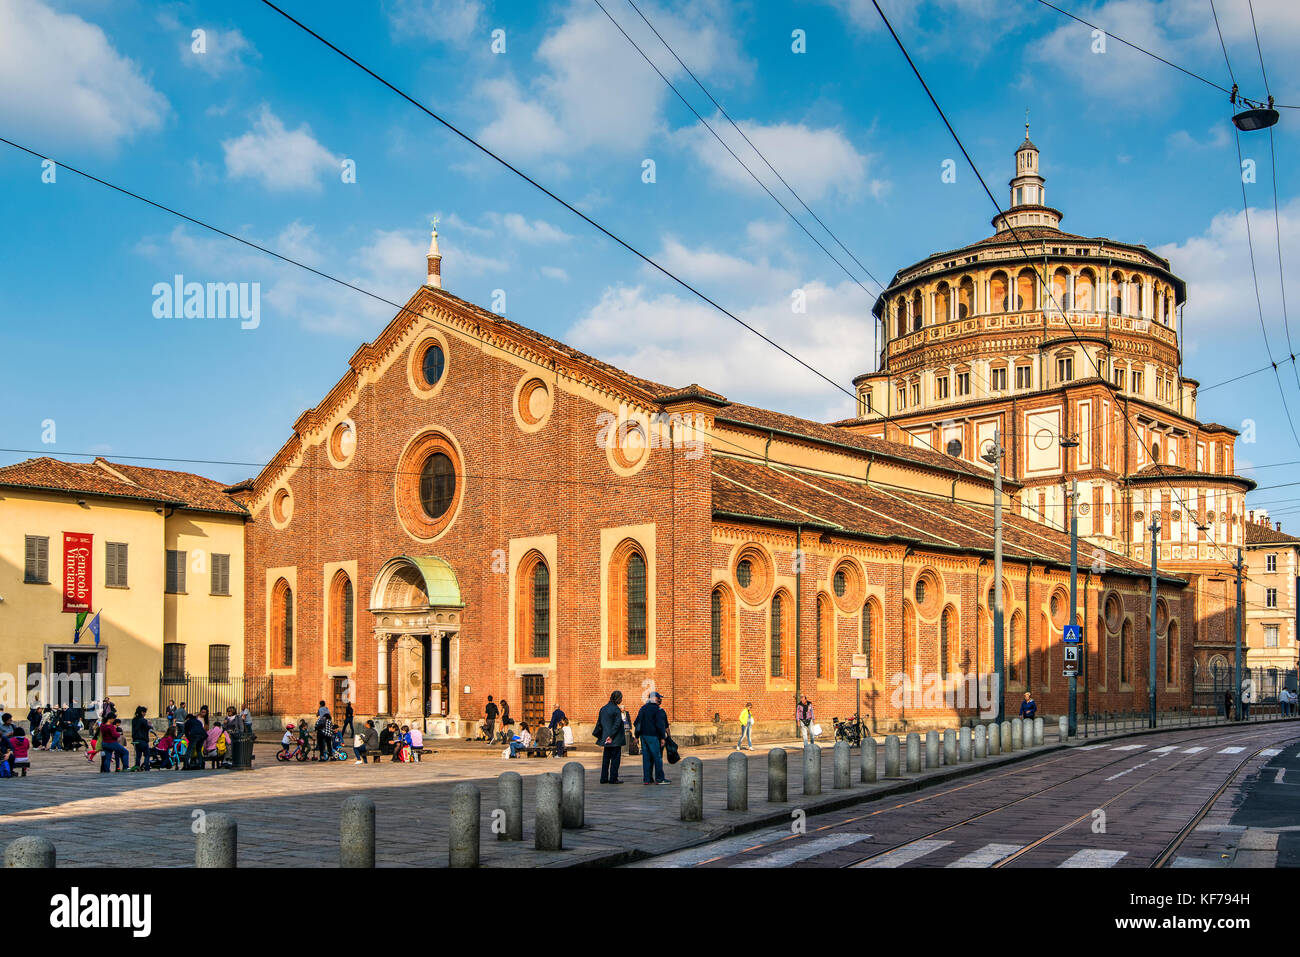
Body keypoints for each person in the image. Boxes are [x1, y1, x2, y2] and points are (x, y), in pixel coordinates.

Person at [634, 692, 669, 785]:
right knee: (657, 757)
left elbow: (637, 723)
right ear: (654, 699)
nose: (660, 700)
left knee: (646, 758)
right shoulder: (658, 710)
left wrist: (636, 736)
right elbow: (660, 725)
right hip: (653, 736)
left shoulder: (643, 708)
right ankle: (660, 779)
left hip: (643, 736)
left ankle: (647, 779)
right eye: (658, 698)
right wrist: (662, 737)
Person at [593, 690, 626, 784]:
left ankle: (603, 778)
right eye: (621, 698)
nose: (621, 699)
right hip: (614, 739)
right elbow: (617, 724)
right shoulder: (616, 709)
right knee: (615, 759)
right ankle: (613, 778)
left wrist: (603, 736)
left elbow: (599, 723)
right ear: (617, 698)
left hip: (605, 739)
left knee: (606, 759)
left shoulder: (603, 708)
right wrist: (611, 736)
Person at [130, 706, 153, 771]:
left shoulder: (134, 720)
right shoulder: (143, 720)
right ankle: (146, 767)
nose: (145, 714)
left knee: (138, 755)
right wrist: (150, 726)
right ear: (142, 712)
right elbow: (147, 727)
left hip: (135, 740)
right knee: (147, 754)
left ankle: (137, 767)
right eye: (145, 712)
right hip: (142, 740)